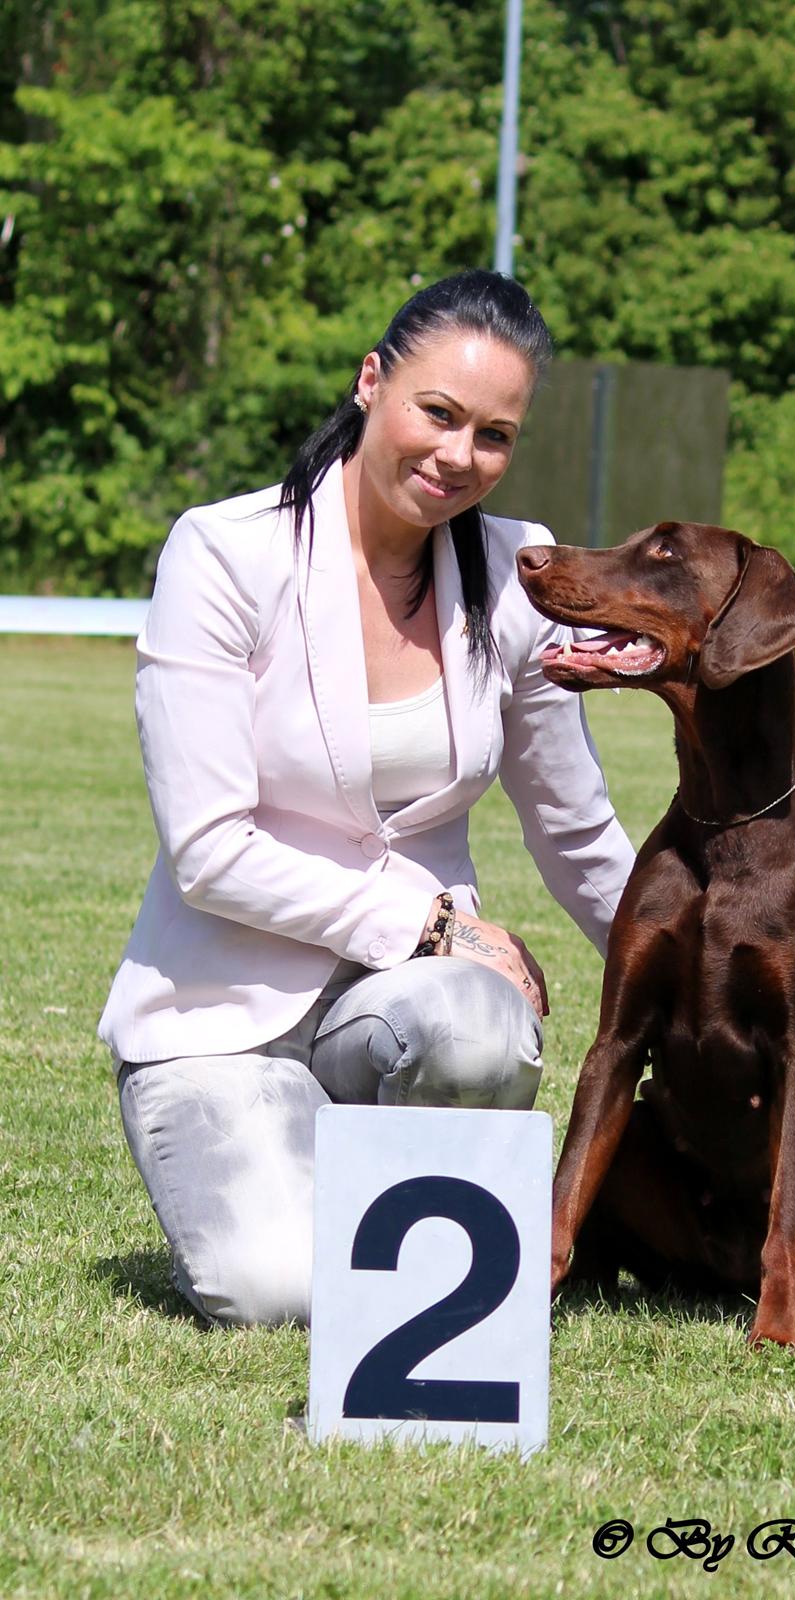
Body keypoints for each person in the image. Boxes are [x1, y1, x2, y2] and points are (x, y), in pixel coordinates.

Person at [98, 268, 635, 1327]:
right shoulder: (223, 554)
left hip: (403, 1012)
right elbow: (208, 850)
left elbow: (575, 831)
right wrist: (429, 922)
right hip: (219, 1020)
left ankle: (381, 1183)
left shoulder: (515, 568)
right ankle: (299, 1169)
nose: (456, 456)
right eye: (436, 413)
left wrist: (702, 980)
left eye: (493, 434)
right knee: (283, 1295)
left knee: (480, 1033)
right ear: (369, 383)